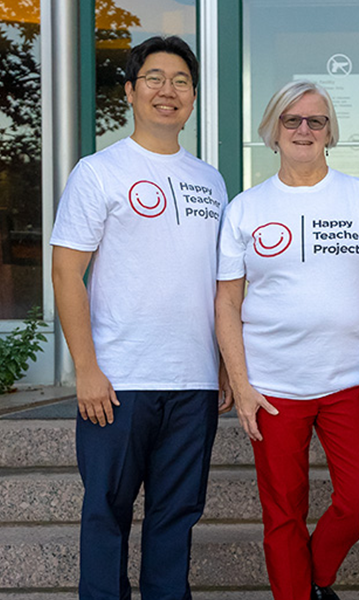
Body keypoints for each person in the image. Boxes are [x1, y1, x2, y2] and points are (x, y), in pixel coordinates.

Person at [215, 80, 359, 600]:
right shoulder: (245, 207)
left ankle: (317, 579)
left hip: (351, 381)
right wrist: (241, 383)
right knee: (282, 513)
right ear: (273, 132)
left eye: (316, 121)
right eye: (292, 120)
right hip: (272, 387)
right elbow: (227, 303)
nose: (304, 129)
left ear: (330, 133)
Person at [51, 36, 230, 599]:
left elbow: (221, 286)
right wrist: (86, 369)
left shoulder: (212, 181)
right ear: (130, 91)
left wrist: (225, 364)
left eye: (180, 81)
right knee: (106, 513)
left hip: (193, 381)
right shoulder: (98, 171)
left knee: (176, 516)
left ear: (194, 97)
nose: (166, 91)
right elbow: (65, 274)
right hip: (118, 380)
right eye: (153, 78)